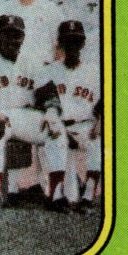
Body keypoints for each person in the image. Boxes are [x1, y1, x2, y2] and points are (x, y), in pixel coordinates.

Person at [0, 15, 69, 213]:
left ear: (23, 37)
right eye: (7, 35)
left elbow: (49, 93)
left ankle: (56, 195)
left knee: (58, 132)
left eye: (16, 35)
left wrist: (51, 113)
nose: (12, 40)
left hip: (26, 115)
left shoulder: (31, 60)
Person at [50, 20, 102, 211]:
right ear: (60, 44)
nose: (72, 46)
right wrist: (61, 129)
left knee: (99, 143)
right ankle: (61, 193)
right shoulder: (50, 71)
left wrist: (100, 123)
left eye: (76, 41)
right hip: (60, 127)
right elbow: (42, 104)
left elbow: (106, 102)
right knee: (70, 197)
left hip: (86, 126)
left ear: (82, 44)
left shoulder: (95, 72)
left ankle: (88, 194)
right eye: (67, 41)